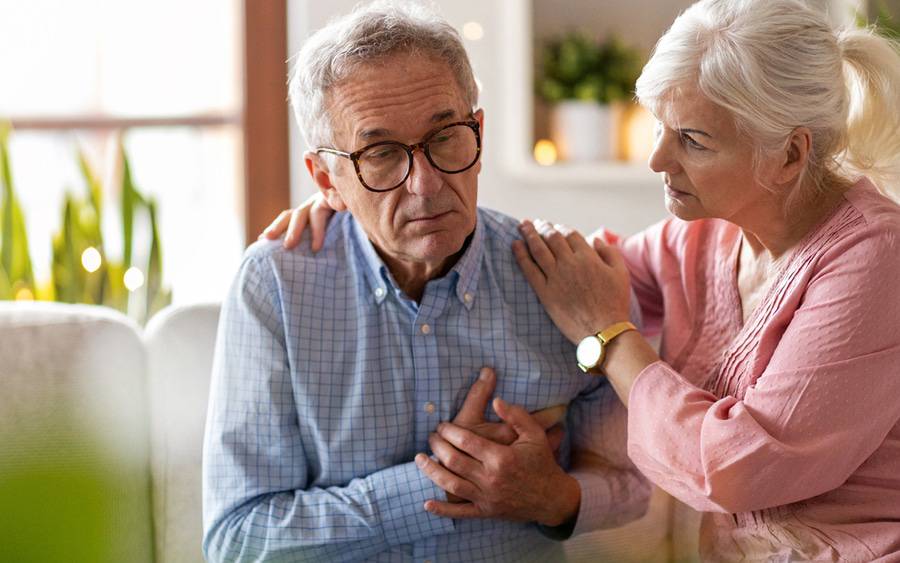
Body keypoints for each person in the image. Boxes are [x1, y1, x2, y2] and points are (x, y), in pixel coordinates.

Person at [266, 0, 900, 560]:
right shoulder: (705, 235)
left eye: (693, 140)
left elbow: (735, 471)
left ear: (789, 154)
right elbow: (565, 266)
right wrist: (356, 200)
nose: (656, 158)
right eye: (659, 125)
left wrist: (610, 338)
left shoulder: (877, 260)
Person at [202, 2, 651, 561]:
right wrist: (441, 484)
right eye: (382, 154)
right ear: (326, 178)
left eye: (445, 138)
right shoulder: (275, 287)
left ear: (479, 134)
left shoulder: (563, 278)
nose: (426, 184)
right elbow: (239, 539)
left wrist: (553, 497)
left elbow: (636, 486)